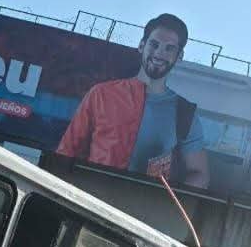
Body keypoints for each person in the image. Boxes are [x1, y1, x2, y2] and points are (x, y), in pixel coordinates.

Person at [56, 14, 210, 189]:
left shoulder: (185, 112)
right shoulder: (101, 94)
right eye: (154, 44)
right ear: (141, 46)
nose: (159, 53)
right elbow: (66, 153)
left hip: (141, 204)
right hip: (89, 198)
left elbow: (199, 174)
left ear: (179, 55)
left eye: (169, 48)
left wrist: (162, 199)